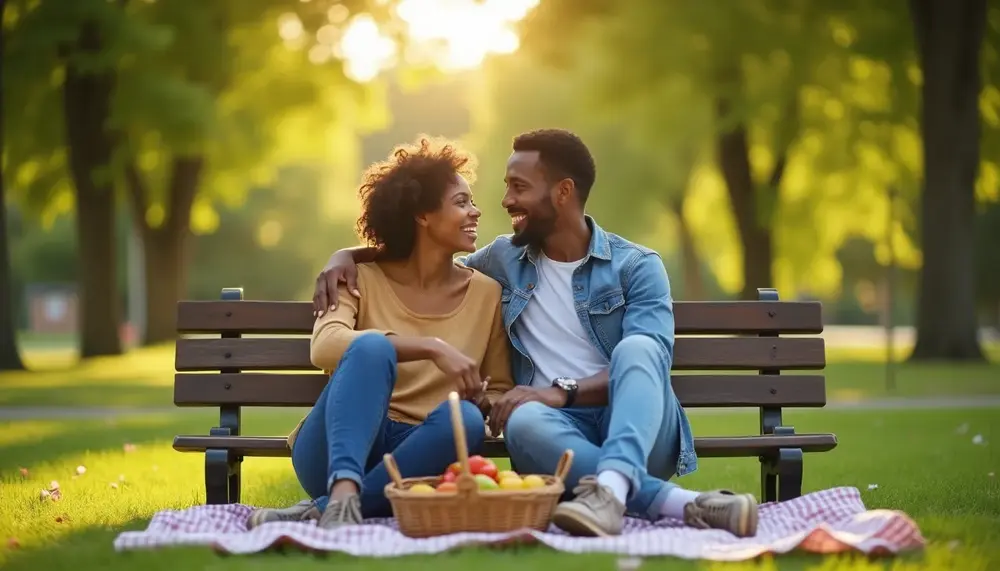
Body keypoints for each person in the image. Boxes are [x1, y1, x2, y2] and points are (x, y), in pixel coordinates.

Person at [312, 129, 759, 538]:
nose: (504, 201)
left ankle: (617, 483)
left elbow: (651, 364)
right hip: (549, 435)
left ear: (563, 192)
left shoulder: (637, 266)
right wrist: (345, 254)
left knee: (640, 348)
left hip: (639, 429)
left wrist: (559, 392)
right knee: (522, 418)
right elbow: (423, 253)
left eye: (518, 188)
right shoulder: (503, 260)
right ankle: (665, 503)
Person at [246, 136, 514, 531]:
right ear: (422, 215)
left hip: (421, 454)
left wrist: (484, 401)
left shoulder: (486, 293)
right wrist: (430, 347)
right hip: (336, 446)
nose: (476, 212)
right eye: (461, 202)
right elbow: (325, 347)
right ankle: (340, 491)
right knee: (371, 347)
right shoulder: (354, 277)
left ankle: (331, 510)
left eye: (472, 202)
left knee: (467, 421)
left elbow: (500, 388)